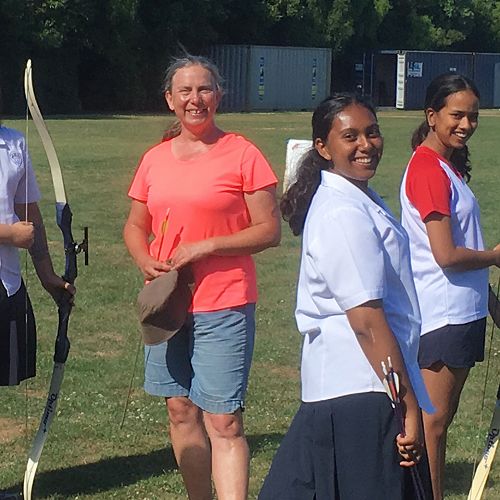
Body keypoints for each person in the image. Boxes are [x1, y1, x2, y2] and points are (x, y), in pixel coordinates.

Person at [259, 94, 434, 500]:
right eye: (350, 136)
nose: (366, 145)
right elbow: (367, 322)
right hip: (359, 392)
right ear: (323, 147)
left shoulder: (361, 198)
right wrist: (407, 404)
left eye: (372, 133)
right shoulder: (343, 213)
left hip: (364, 387)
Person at [123, 55, 280, 500]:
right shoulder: (154, 159)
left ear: (219, 95)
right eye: (185, 92)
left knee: (224, 420)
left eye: (205, 89)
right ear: (170, 100)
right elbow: (135, 226)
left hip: (224, 300)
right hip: (168, 303)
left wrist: (207, 246)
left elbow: (269, 230)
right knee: (179, 410)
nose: (196, 99)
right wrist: (143, 259)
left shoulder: (243, 153)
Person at [400, 73, 500, 500]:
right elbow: (446, 255)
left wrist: (493, 304)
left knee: (438, 422)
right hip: (443, 315)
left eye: (473, 116)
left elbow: (465, 247)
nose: (466, 124)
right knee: (432, 426)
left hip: (464, 311)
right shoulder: (426, 167)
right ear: (431, 115)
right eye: (456, 115)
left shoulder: (445, 166)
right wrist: (496, 256)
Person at [0, 89, 74, 499]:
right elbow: (18, 228)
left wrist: (48, 276)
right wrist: (7, 233)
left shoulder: (13, 142)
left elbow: (31, 214)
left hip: (7, 284)